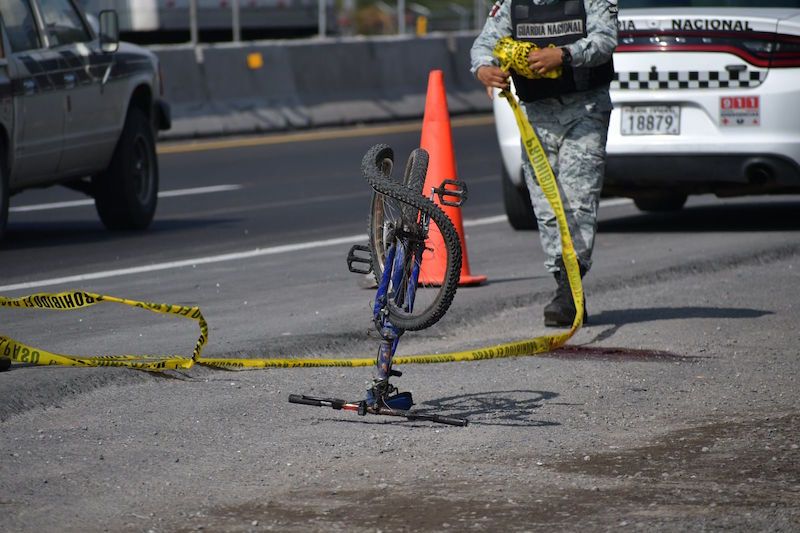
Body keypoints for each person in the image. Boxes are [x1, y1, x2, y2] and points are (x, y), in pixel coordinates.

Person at [470, 0, 618, 327]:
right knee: (546, 205)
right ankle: (563, 283)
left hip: (585, 110)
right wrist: (484, 69)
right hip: (538, 117)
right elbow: (485, 44)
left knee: (578, 201)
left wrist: (563, 55)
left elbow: (605, 40)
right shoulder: (513, 4)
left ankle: (569, 291)